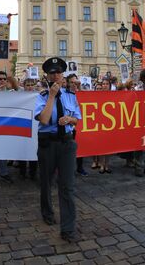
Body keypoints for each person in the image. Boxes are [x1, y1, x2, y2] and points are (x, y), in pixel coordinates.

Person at [35, 57, 82, 242]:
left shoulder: (71, 96)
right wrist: (52, 96)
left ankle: (68, 229)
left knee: (67, 186)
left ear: (63, 76)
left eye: (58, 73)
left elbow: (77, 119)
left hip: (67, 143)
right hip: (48, 143)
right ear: (47, 76)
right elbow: (44, 119)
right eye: (52, 73)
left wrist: (69, 120)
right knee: (46, 181)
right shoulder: (42, 97)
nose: (55, 76)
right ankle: (47, 212)